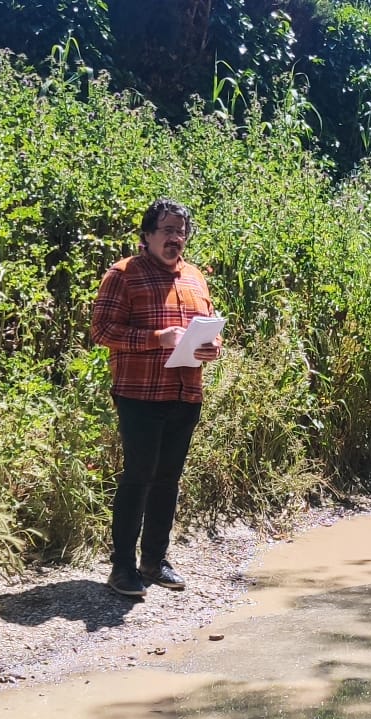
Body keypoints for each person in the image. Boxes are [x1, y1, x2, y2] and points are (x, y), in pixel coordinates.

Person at [90, 198, 222, 597]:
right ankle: (122, 568)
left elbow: (212, 330)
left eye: (181, 231)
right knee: (138, 478)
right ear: (146, 235)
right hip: (140, 395)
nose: (175, 238)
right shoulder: (123, 275)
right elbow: (101, 331)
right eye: (167, 230)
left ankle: (154, 561)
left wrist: (212, 346)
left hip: (186, 393)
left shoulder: (195, 277)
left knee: (168, 480)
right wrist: (156, 340)